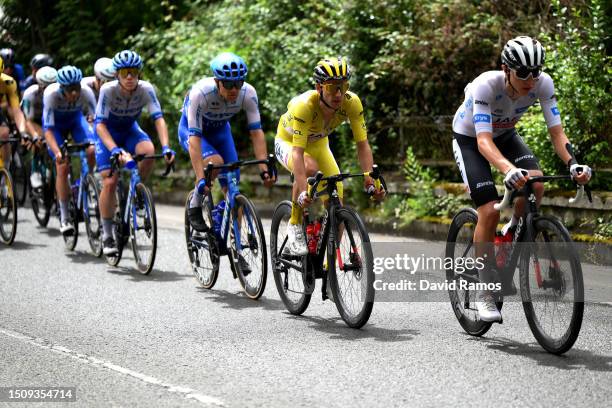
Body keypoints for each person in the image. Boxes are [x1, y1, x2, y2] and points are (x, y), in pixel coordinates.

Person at [451, 36, 592, 322]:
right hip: (470, 140)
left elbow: (557, 134)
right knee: (489, 210)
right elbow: (483, 141)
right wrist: (506, 169)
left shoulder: (543, 84)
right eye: (523, 73)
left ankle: (511, 232)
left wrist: (574, 164)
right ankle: (486, 291)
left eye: (536, 71)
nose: (531, 79)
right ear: (506, 69)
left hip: (506, 136)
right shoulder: (485, 86)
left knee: (536, 183)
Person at [274, 56, 385, 256]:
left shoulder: (352, 103)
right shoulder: (305, 106)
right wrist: (302, 192)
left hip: (318, 145)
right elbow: (298, 153)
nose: (339, 93)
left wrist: (370, 178)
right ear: (319, 87)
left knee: (336, 200)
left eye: (344, 86)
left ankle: (330, 265)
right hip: (289, 143)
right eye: (333, 87)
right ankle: (295, 223)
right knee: (309, 167)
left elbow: (363, 144)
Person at [182, 52, 274, 232]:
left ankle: (236, 248)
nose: (234, 89)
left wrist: (264, 170)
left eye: (238, 83)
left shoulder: (248, 93)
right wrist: (201, 178)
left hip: (221, 131)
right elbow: (194, 138)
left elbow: (256, 132)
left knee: (233, 186)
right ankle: (195, 204)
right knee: (215, 163)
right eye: (229, 84)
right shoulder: (201, 93)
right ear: (217, 82)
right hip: (192, 131)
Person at [95, 50, 174, 255]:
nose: (129, 77)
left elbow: (158, 119)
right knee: (110, 182)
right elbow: (100, 126)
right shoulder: (107, 90)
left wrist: (166, 146)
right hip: (108, 136)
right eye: (124, 73)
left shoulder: (146, 89)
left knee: (148, 151)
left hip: (130, 130)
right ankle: (107, 234)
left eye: (133, 72)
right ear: (117, 75)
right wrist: (114, 150)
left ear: (139, 73)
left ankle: (138, 190)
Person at [43, 65, 96, 233]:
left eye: (77, 88)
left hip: (75, 121)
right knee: (62, 164)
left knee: (92, 149)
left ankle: (87, 181)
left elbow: (97, 121)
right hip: (56, 127)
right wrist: (58, 152)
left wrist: (94, 136)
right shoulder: (50, 95)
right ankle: (65, 216)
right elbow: (49, 131)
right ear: (62, 88)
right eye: (70, 89)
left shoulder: (86, 92)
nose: (74, 93)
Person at [21, 66, 57, 188]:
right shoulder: (30, 94)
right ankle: (35, 170)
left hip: (49, 120)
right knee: (40, 139)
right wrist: (35, 136)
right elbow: (27, 121)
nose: (50, 89)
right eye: (46, 86)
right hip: (32, 120)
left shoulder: (59, 92)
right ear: (39, 85)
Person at [0, 55, 28, 166]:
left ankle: (5, 169)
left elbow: (17, 110)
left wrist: (23, 132)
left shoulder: (8, 82)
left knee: (4, 134)